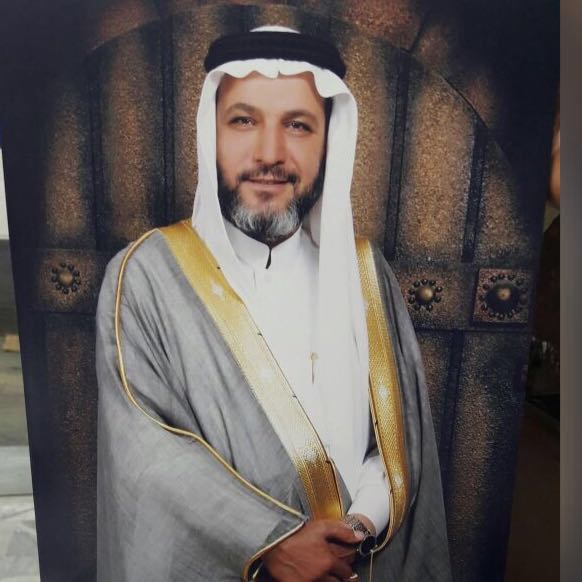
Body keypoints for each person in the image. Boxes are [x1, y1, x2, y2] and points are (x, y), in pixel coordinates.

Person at [96, 25, 451, 581]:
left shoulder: (364, 273)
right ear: (211, 132)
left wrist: (355, 529)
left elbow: (397, 444)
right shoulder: (146, 277)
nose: (269, 153)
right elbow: (146, 459)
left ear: (328, 141)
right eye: (243, 121)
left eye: (298, 125)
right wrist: (272, 543)